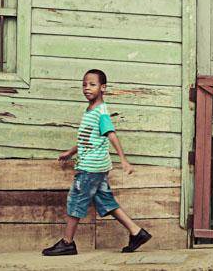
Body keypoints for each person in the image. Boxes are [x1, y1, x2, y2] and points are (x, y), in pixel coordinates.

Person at [42, 68, 152, 256]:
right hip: (97, 166)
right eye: (84, 84)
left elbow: (111, 134)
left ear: (103, 88)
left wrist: (124, 160)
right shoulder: (91, 110)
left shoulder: (101, 112)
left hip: (90, 167)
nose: (87, 88)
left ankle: (67, 242)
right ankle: (136, 232)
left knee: (76, 200)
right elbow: (88, 138)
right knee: (106, 201)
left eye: (92, 85)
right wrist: (71, 151)